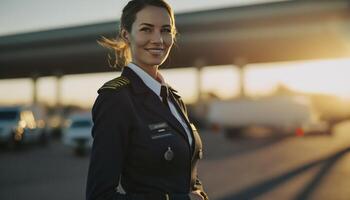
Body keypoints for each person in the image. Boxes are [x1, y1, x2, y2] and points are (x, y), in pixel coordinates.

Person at [86, 0, 208, 200]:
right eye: (146, 29)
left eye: (166, 30)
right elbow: (99, 196)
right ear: (127, 35)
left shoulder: (174, 99)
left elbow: (188, 175)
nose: (158, 39)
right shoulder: (116, 99)